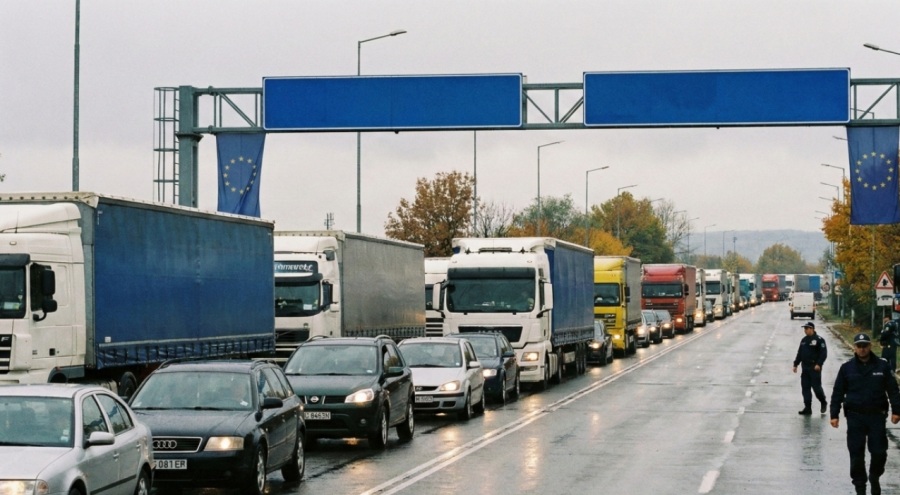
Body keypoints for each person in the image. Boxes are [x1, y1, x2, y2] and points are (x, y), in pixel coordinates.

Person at [830, 333, 900, 495]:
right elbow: (838, 393)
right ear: (855, 347)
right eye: (859, 346)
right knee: (856, 453)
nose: (862, 349)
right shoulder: (847, 368)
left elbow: (893, 390)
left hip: (877, 416)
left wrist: (897, 410)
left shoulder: (882, 366)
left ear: (870, 346)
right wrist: (834, 414)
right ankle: (860, 487)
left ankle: (874, 477)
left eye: (865, 346)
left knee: (879, 452)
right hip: (855, 416)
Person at [792, 321, 828, 415]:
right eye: (804, 329)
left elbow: (823, 354)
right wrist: (796, 364)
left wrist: (819, 364)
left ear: (812, 329)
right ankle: (808, 408)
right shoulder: (804, 340)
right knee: (805, 388)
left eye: (807, 328)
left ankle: (823, 401)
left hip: (814, 368)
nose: (805, 330)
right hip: (805, 368)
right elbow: (800, 353)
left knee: (816, 388)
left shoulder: (819, 340)